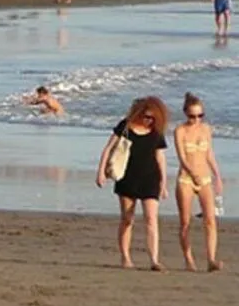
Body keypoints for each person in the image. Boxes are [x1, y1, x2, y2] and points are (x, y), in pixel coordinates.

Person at [95, 96, 169, 271]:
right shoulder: (126, 126)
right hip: (127, 177)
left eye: (152, 117)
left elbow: (160, 158)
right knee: (127, 218)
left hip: (150, 178)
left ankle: (154, 260)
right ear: (139, 113)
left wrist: (163, 183)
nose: (149, 120)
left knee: (151, 219)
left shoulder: (156, 132)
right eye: (146, 116)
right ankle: (125, 257)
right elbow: (108, 149)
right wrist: (101, 172)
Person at [173, 93, 224, 272]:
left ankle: (211, 259)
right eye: (192, 116)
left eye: (200, 116)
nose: (196, 120)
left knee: (210, 219)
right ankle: (189, 259)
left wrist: (217, 176)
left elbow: (209, 154)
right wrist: (191, 173)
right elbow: (181, 157)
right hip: (186, 178)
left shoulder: (206, 129)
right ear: (185, 114)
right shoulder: (180, 131)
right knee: (185, 221)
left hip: (204, 178)